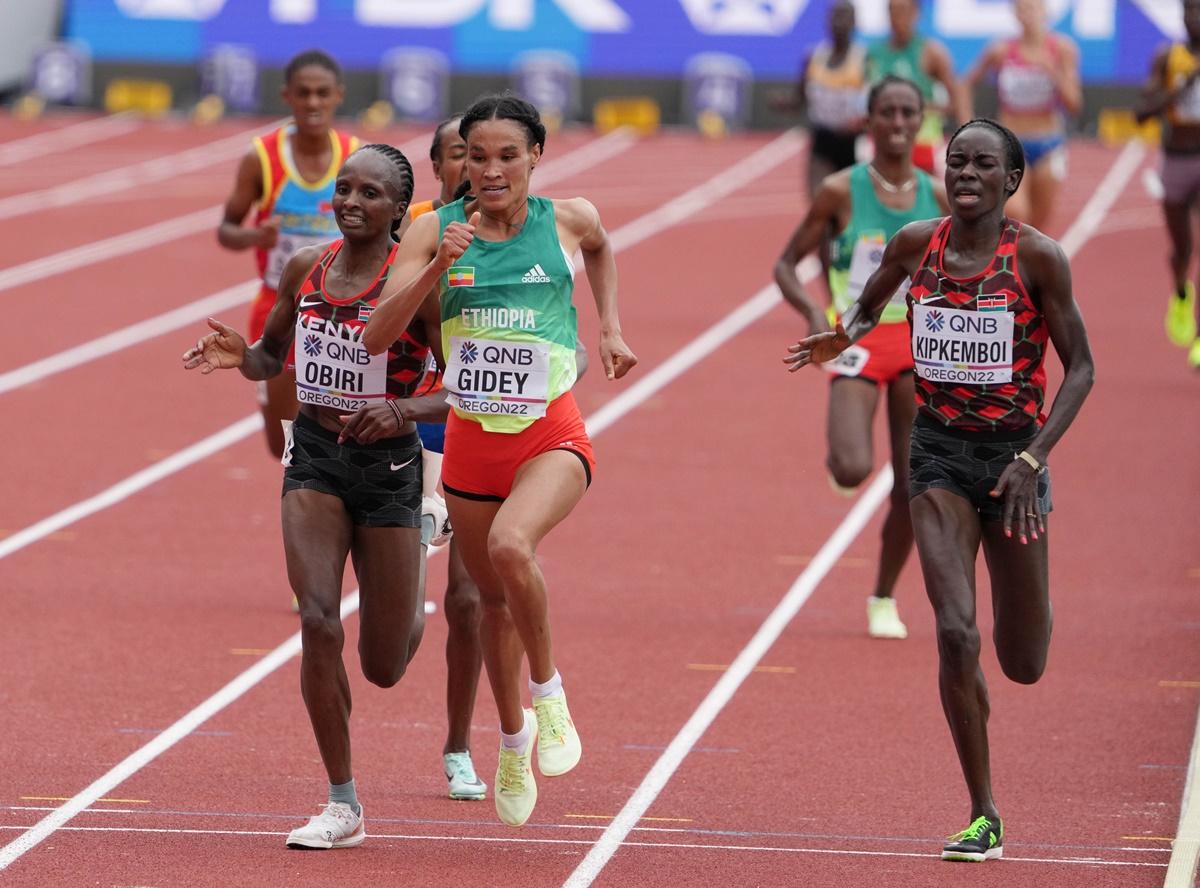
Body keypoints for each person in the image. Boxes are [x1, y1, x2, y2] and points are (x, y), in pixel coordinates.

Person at [784, 118, 1094, 861]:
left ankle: (1034, 602)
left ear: (1010, 181)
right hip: (938, 459)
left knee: (1024, 661)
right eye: (956, 161)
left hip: (1015, 466)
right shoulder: (915, 243)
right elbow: (872, 299)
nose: (965, 174)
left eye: (983, 165)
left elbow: (1082, 367)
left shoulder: (1039, 260)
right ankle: (983, 811)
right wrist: (844, 330)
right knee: (956, 633)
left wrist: (1036, 457)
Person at [362, 94, 637, 828]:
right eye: (476, 157)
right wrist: (430, 272)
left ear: (536, 157)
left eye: (507, 155)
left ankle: (550, 698)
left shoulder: (567, 219)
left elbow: (604, 246)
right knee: (489, 605)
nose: (490, 170)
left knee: (515, 548)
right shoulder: (433, 231)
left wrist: (609, 326)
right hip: (470, 449)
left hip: (551, 435)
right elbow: (374, 338)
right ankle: (512, 740)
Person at [184, 143, 438, 849]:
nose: (352, 202)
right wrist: (244, 358)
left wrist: (405, 412)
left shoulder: (415, 283)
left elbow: (461, 382)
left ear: (398, 210)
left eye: (371, 194)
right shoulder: (308, 268)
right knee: (319, 621)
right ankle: (343, 802)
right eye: (344, 190)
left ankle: (417, 550)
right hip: (316, 461)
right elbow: (271, 357)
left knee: (384, 667)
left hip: (390, 470)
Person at [775, 75, 947, 640]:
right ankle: (842, 464)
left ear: (919, 121)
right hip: (854, 336)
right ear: (868, 122)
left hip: (918, 347)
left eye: (908, 113)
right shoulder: (840, 191)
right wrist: (812, 315)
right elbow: (785, 264)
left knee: (911, 480)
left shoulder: (937, 197)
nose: (898, 124)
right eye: (888, 113)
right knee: (851, 466)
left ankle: (883, 596)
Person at [217, 49, 358, 459]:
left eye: (322, 93)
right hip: (278, 306)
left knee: (343, 430)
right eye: (304, 93)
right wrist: (253, 238)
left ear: (338, 96)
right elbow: (226, 229)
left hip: (341, 312)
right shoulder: (261, 156)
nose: (313, 103)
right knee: (283, 445)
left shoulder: (357, 156)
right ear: (287, 97)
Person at [964, 0, 1081, 230]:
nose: (1029, 14)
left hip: (1049, 143)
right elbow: (966, 83)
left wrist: (1053, 72)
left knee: (1038, 225)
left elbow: (1074, 104)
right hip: (1012, 142)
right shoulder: (1001, 51)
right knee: (1016, 213)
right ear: (1015, 13)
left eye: (1034, 8)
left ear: (1045, 12)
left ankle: (1028, 264)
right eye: (1023, 8)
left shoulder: (1062, 50)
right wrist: (969, 126)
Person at [1136, 0, 1200, 368]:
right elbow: (1142, 113)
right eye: (1189, 11)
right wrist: (1180, 88)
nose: (1194, 18)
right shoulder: (1168, 58)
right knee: (1182, 249)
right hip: (1176, 157)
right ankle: (1180, 293)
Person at [771, 0, 868, 200]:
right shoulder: (813, 56)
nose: (839, 22)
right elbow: (800, 99)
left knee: (849, 208)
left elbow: (876, 103)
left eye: (845, 17)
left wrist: (863, 123)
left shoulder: (864, 58)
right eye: (835, 16)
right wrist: (783, 103)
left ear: (855, 23)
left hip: (853, 144)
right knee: (818, 202)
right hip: (822, 140)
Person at [866, 0, 967, 175]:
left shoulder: (932, 52)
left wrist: (922, 109)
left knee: (924, 195)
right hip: (884, 141)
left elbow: (958, 99)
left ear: (916, 14)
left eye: (904, 11)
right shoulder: (874, 54)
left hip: (922, 141)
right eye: (892, 11)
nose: (897, 18)